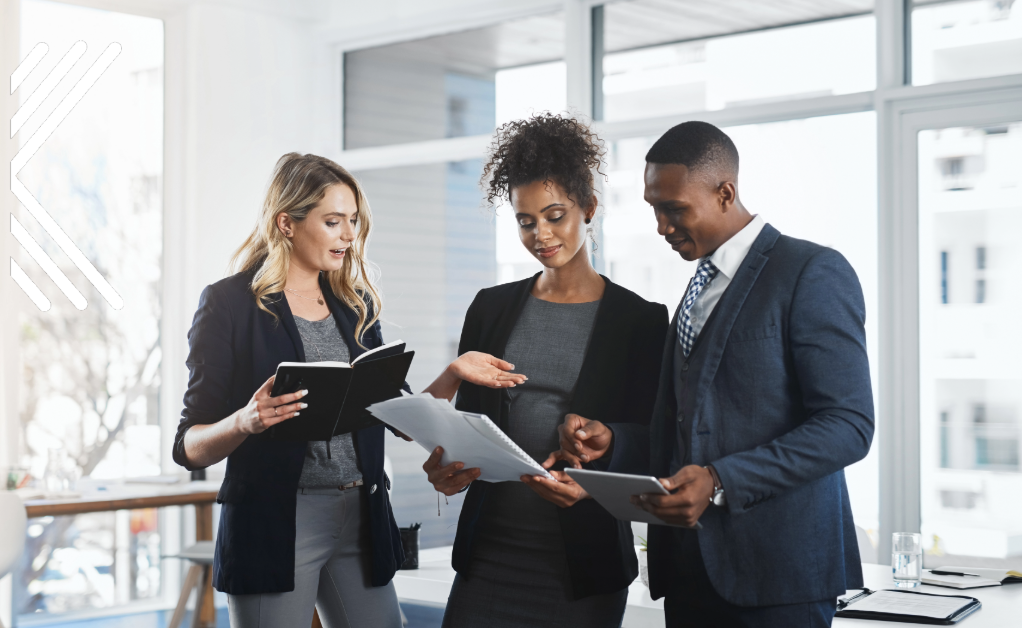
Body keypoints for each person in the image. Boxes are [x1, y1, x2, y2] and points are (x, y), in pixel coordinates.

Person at [172, 153, 516, 628]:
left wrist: (455, 372)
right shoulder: (230, 304)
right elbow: (188, 447)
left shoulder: (355, 306)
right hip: (277, 523)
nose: (349, 236)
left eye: (353, 221)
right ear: (286, 223)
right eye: (333, 221)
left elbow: (402, 416)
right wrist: (245, 420)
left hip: (361, 514)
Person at [558, 121, 874, 627]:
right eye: (654, 208)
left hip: (779, 582)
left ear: (725, 193)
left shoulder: (810, 271)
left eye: (675, 208)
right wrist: (613, 443)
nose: (661, 225)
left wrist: (720, 479)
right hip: (687, 577)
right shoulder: (696, 291)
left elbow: (849, 425)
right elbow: (687, 434)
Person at [421, 113, 668, 628]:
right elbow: (470, 425)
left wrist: (599, 465)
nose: (541, 234)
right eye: (525, 220)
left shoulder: (640, 320)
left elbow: (655, 440)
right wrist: (449, 469)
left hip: (582, 563)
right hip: (488, 556)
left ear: (590, 208)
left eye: (555, 215)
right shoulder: (489, 308)